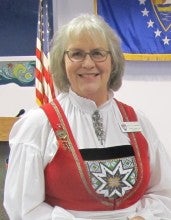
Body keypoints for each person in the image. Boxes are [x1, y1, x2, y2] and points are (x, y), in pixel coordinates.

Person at [3, 13, 171, 220]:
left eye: (98, 53)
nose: (89, 63)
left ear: (113, 61)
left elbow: (164, 193)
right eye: (77, 54)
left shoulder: (138, 120)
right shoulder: (38, 125)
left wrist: (144, 217)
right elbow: (22, 207)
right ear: (61, 62)